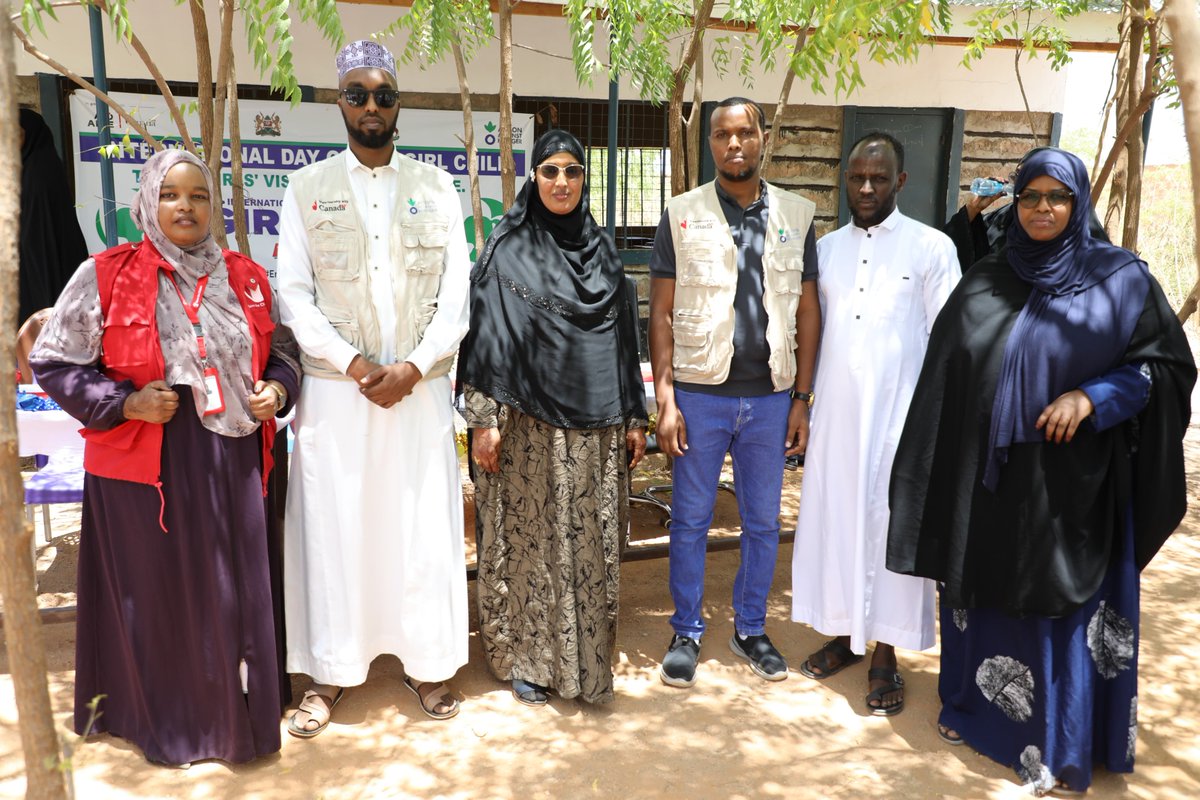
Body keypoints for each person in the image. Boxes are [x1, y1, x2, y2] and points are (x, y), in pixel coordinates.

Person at [886, 148, 1195, 795]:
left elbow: (1162, 370)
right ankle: (976, 716)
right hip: (991, 488)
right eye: (1032, 197)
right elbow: (947, 375)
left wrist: (1093, 399)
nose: (1044, 208)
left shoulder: (1122, 279)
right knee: (990, 601)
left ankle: (1062, 742)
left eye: (1059, 197)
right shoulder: (987, 280)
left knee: (1065, 612)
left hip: (1073, 491)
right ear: (1016, 203)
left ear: (1079, 203)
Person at [30, 148, 300, 766]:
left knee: (231, 595)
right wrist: (123, 403)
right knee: (159, 598)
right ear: (150, 202)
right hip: (146, 462)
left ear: (214, 206)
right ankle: (168, 725)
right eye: (172, 195)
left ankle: (236, 724)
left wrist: (278, 389)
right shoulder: (106, 275)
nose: (186, 206)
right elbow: (52, 362)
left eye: (199, 196)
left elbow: (285, 352)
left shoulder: (247, 276)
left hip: (233, 462)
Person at [277, 39, 471, 737]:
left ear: (398, 105)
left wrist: (414, 367)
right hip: (339, 395)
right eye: (356, 94)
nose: (370, 105)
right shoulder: (306, 190)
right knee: (336, 528)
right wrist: (357, 365)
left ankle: (426, 661)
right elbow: (292, 295)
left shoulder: (436, 188)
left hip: (416, 396)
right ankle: (330, 671)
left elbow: (457, 298)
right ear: (340, 103)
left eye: (382, 94)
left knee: (418, 525)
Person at [457, 130, 648, 706]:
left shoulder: (603, 252)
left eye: (572, 171)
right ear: (533, 178)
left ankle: (584, 665)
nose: (561, 182)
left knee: (587, 542)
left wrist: (635, 417)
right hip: (524, 428)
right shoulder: (506, 248)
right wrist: (484, 421)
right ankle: (527, 660)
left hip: (596, 427)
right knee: (528, 541)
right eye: (550, 171)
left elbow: (622, 340)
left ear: (584, 180)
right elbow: (486, 339)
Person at [649, 97, 820, 688]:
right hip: (700, 395)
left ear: (762, 137)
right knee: (691, 521)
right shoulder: (681, 213)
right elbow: (662, 313)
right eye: (722, 135)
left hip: (772, 399)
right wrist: (665, 400)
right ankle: (687, 629)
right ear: (711, 145)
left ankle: (751, 627)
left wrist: (803, 397)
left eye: (745, 133)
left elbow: (809, 310)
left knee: (763, 522)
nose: (734, 145)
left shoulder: (797, 214)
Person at [790, 133, 959, 716]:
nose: (865, 187)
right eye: (857, 176)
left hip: (901, 418)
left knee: (892, 527)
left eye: (878, 178)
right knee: (838, 518)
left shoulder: (932, 248)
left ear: (900, 182)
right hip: (836, 415)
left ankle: (885, 649)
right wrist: (803, 403)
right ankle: (844, 634)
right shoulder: (827, 248)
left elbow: (950, 341)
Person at [19, 107, 89, 326]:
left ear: (31, 135)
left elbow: (35, 239)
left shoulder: (39, 173)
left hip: (39, 270)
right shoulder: (29, 168)